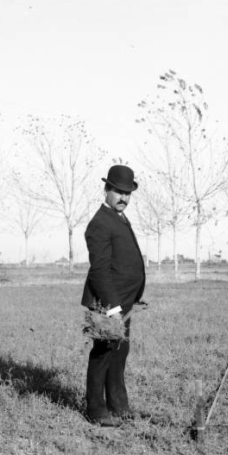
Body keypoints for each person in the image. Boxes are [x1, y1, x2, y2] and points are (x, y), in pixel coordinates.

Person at [81, 164, 146, 427]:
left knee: (120, 351)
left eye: (127, 193)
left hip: (124, 301)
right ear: (106, 189)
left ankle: (119, 407)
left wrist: (132, 296)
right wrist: (112, 307)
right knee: (103, 353)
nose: (123, 198)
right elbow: (99, 271)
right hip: (107, 302)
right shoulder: (99, 223)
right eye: (118, 191)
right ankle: (96, 411)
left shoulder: (119, 218)